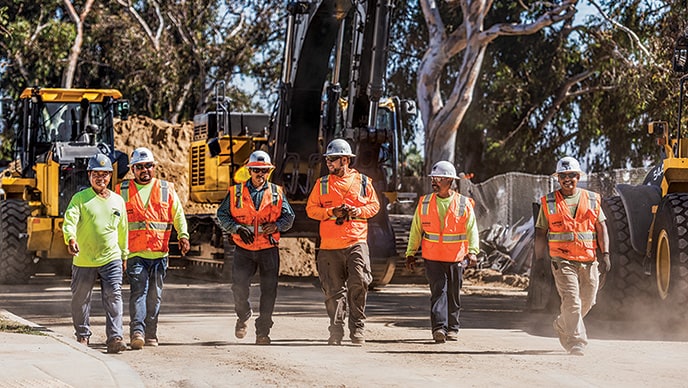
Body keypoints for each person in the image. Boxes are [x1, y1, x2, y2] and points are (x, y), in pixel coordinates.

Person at [306, 139, 380, 346]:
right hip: (329, 246)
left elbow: (374, 207)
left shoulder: (364, 182)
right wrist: (331, 212)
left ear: (345, 160)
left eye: (333, 159)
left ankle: (357, 328)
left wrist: (358, 211)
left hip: (356, 241)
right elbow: (311, 210)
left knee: (360, 282)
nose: (329, 163)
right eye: (328, 159)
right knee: (333, 290)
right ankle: (336, 330)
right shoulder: (321, 185)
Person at [115, 147, 190, 349]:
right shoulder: (121, 191)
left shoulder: (166, 189)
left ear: (154, 167)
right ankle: (137, 332)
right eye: (139, 167)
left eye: (148, 166)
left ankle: (151, 333)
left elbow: (178, 215)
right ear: (132, 169)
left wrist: (183, 235)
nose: (144, 170)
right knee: (139, 291)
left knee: (155, 296)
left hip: (160, 253)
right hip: (135, 253)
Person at [534, 156, 610, 356]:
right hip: (562, 260)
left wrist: (606, 254)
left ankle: (561, 323)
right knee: (572, 301)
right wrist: (539, 259)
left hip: (589, 259)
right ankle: (577, 341)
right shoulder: (549, 202)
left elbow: (601, 227)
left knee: (588, 300)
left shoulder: (592, 199)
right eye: (563, 176)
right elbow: (540, 232)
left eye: (571, 175)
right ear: (558, 179)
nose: (567, 179)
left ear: (578, 176)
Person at [217, 150, 294, 345]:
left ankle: (263, 333)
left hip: (268, 249)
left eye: (265, 171)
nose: (261, 175)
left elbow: (289, 217)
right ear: (249, 171)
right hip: (244, 249)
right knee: (239, 287)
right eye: (257, 171)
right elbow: (222, 215)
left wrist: (277, 226)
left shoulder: (276, 192)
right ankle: (243, 315)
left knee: (269, 291)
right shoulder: (236, 192)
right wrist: (236, 228)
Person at [405, 161, 479, 343]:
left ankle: (453, 328)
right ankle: (439, 328)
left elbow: (472, 229)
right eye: (433, 178)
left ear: (449, 180)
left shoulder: (463, 203)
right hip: (433, 257)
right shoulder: (425, 202)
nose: (434, 182)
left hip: (456, 257)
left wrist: (473, 251)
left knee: (453, 293)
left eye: (438, 178)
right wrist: (410, 252)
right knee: (439, 292)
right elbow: (416, 229)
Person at [62, 153, 128, 353]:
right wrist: (70, 238)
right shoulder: (80, 198)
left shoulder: (118, 201)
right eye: (96, 174)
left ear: (111, 176)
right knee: (81, 298)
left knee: (114, 295)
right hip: (84, 259)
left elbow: (123, 230)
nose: (101, 178)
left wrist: (124, 254)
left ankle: (115, 337)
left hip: (111, 257)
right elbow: (70, 220)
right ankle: (82, 335)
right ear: (89, 174)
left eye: (105, 174)